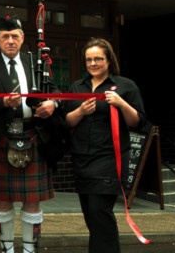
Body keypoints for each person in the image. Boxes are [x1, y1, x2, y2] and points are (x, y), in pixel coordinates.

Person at [0, 16, 61, 253]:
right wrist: (3, 102)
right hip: (1, 137)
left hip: (33, 133)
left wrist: (52, 105)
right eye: (5, 36)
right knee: (3, 200)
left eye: (15, 35)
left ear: (23, 38)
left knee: (32, 200)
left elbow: (54, 90)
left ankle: (29, 250)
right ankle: (7, 249)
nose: (10, 40)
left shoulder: (36, 62)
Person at [63, 38, 146, 253]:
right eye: (89, 59)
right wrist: (80, 111)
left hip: (110, 159)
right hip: (82, 158)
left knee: (100, 213)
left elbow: (138, 122)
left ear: (109, 60)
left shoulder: (126, 86)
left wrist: (121, 103)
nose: (93, 63)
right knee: (91, 215)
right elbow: (67, 122)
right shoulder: (77, 87)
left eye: (98, 58)